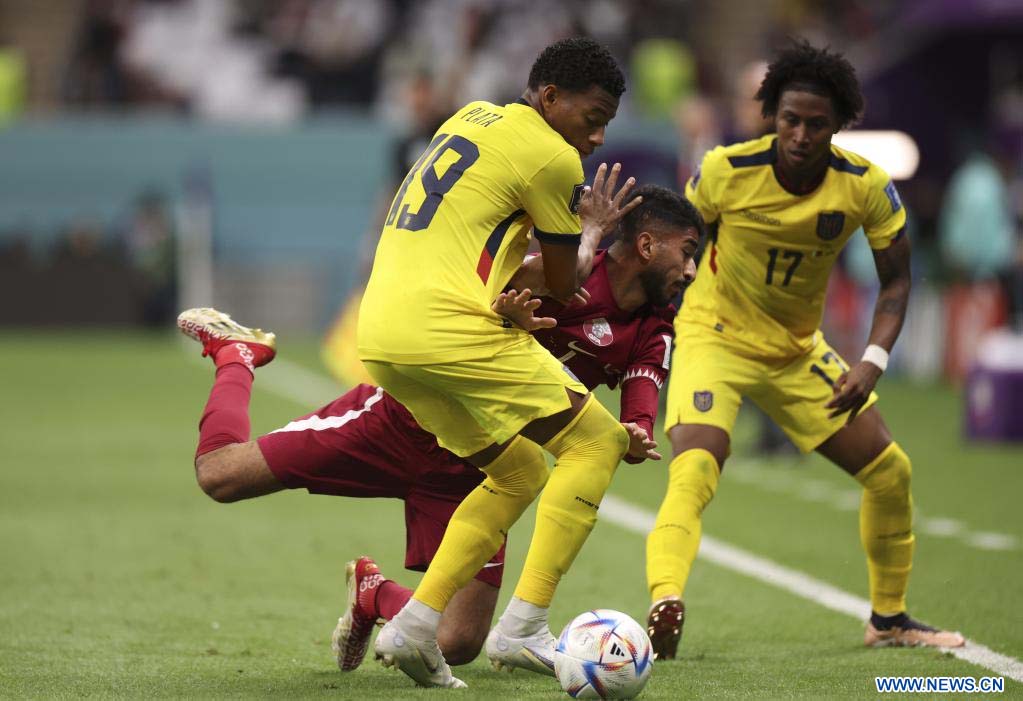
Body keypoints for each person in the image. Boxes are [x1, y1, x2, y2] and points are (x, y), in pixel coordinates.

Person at [178, 183, 702, 675]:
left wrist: (634, 434)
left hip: (484, 470)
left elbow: (636, 418)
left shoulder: (654, 328)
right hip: (406, 421)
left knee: (458, 642)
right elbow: (464, 312)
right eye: (688, 251)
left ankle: (374, 594)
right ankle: (237, 355)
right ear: (648, 245)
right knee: (220, 476)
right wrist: (506, 316)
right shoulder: (566, 273)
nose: (694, 270)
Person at [644, 40, 966, 661]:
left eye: (816, 124)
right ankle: (665, 603)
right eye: (789, 119)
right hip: (715, 337)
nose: (799, 134)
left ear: (839, 125)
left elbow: (897, 278)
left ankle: (889, 617)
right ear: (771, 113)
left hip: (795, 352)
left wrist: (873, 360)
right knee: (696, 466)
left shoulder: (864, 187)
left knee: (890, 472)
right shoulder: (724, 171)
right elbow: (678, 245)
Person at [355, 37, 639, 688]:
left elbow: (499, 256)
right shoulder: (551, 156)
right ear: (548, 98)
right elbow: (567, 283)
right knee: (599, 441)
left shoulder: (469, 118)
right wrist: (593, 227)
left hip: (383, 332)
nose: (595, 136)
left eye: (605, 124)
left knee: (515, 470)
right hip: (445, 328)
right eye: (589, 117)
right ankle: (523, 627)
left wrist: (517, 286)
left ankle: (415, 625)